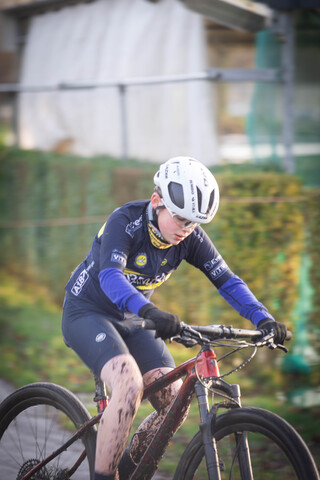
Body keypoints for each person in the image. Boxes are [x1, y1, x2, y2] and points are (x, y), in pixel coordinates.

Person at [62, 156, 287, 480]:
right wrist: (151, 312)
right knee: (128, 384)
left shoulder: (189, 238)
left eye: (194, 223)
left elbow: (227, 280)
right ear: (157, 202)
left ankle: (126, 472)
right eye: (181, 219)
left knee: (174, 401)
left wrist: (263, 318)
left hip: (134, 318)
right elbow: (111, 277)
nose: (187, 229)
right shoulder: (124, 222)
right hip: (87, 311)